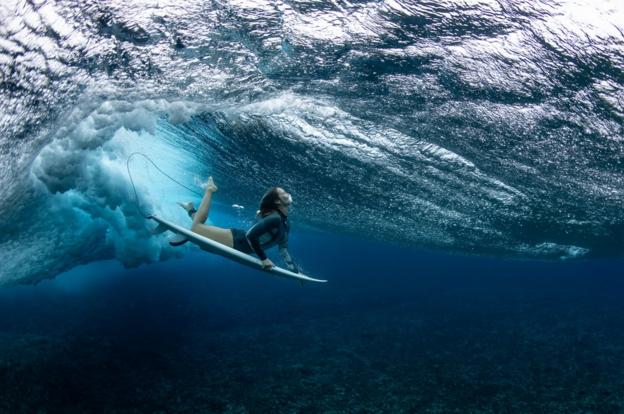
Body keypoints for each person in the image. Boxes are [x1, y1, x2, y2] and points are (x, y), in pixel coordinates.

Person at [171, 177, 299, 273]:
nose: (287, 193)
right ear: (277, 201)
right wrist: (264, 258)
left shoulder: (286, 224)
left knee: (201, 243)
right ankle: (210, 189)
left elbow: (283, 249)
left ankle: (190, 209)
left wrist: (295, 271)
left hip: (238, 242)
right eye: (283, 192)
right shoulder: (275, 219)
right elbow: (251, 236)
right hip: (236, 240)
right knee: (196, 229)